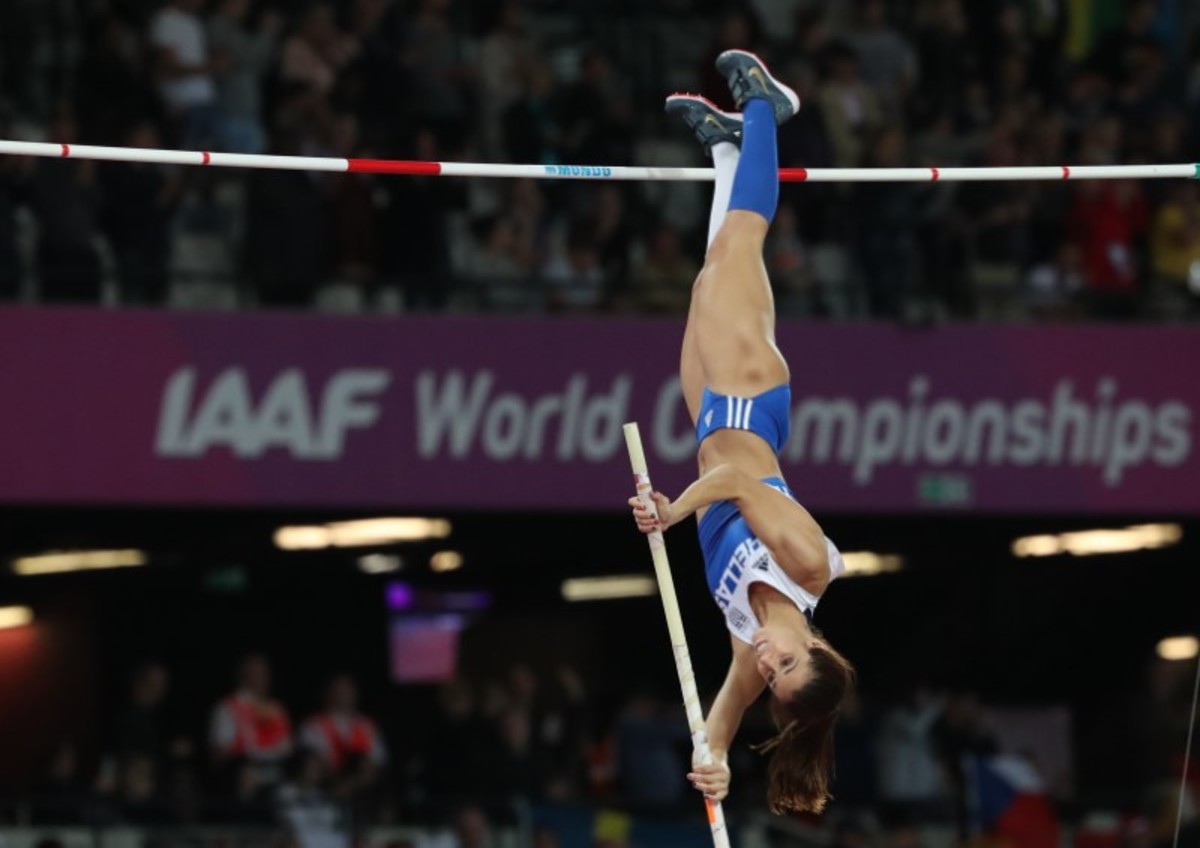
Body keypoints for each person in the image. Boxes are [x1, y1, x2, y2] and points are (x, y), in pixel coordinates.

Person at [629, 51, 853, 815]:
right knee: (741, 244)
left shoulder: (750, 644)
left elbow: (717, 722)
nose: (766, 662)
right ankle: (765, 109)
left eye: (772, 677)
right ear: (815, 646)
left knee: (710, 275)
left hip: (709, 419)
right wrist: (672, 512)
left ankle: (727, 151)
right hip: (750, 401)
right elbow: (731, 483)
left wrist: (715, 759)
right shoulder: (807, 565)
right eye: (786, 663)